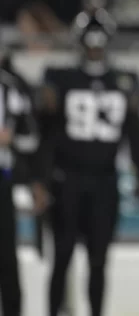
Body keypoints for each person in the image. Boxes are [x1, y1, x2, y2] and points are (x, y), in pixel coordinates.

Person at [39, 7, 139, 316]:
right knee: (62, 256)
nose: (96, 48)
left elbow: (135, 135)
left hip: (104, 180)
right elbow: (46, 133)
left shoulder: (124, 81)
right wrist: (43, 179)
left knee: (98, 260)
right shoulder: (59, 78)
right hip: (67, 180)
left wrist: (138, 174)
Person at [0, 46, 47, 316]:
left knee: (7, 259)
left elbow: (31, 138)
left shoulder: (11, 88)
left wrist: (12, 138)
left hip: (3, 181)